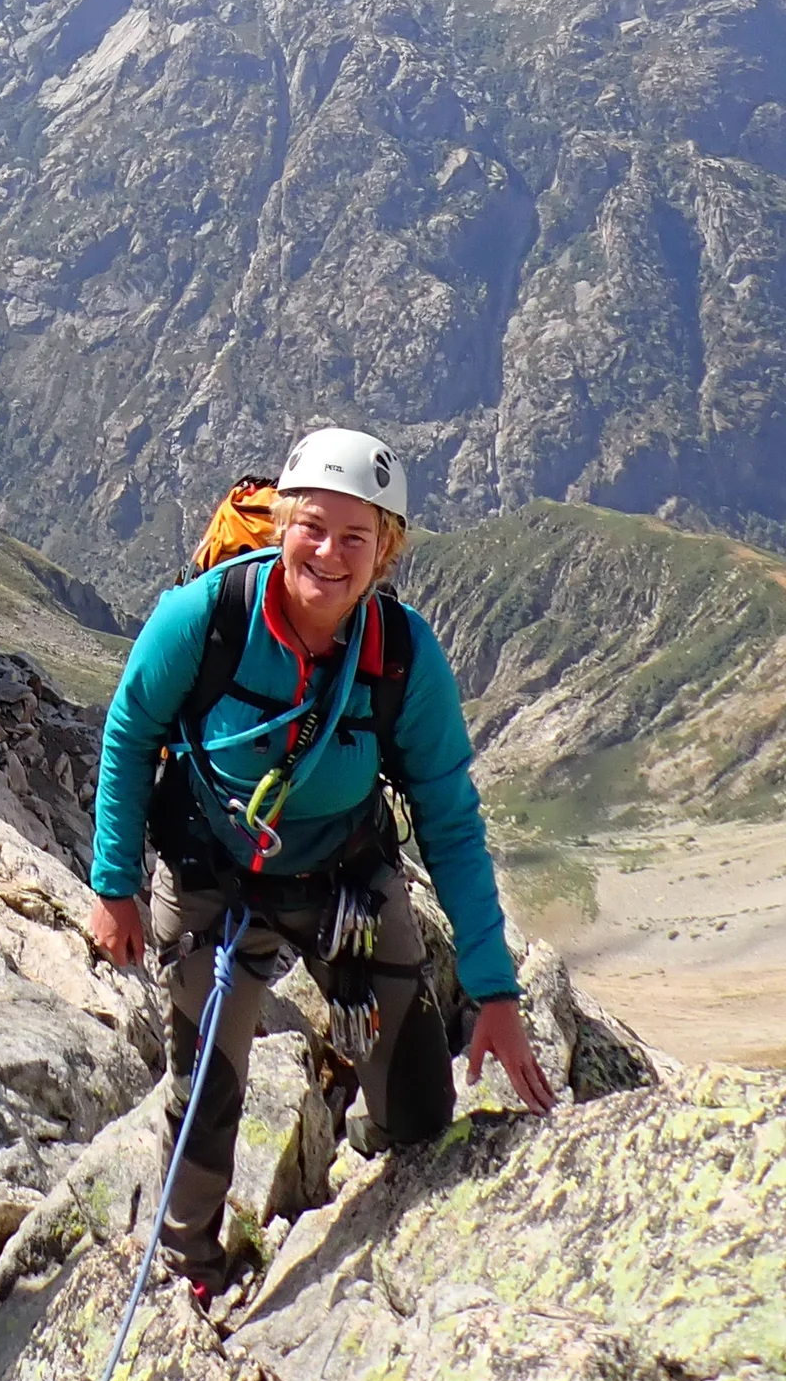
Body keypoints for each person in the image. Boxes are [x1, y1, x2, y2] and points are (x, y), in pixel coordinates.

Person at [88, 427, 554, 1296]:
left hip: (345, 884)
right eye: (312, 528)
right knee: (205, 1089)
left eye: (357, 537)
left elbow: (450, 817)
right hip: (209, 880)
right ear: (280, 524)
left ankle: (416, 1228)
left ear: (387, 551)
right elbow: (129, 733)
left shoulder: (403, 659)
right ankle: (191, 1268)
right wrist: (113, 886)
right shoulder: (209, 617)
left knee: (417, 1097)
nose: (330, 554)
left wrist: (494, 992)